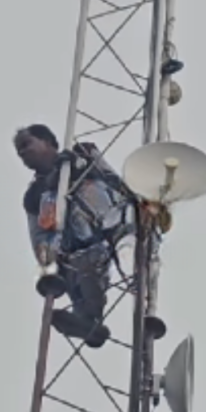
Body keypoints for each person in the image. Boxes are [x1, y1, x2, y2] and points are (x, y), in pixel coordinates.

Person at [14, 124, 131, 347]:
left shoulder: (83, 153)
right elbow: (38, 235)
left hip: (104, 223)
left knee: (90, 196)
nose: (22, 153)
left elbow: (116, 184)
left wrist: (81, 167)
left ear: (49, 142)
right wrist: (49, 266)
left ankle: (93, 315)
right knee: (83, 269)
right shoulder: (34, 195)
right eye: (19, 151)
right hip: (74, 246)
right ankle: (87, 321)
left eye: (27, 145)